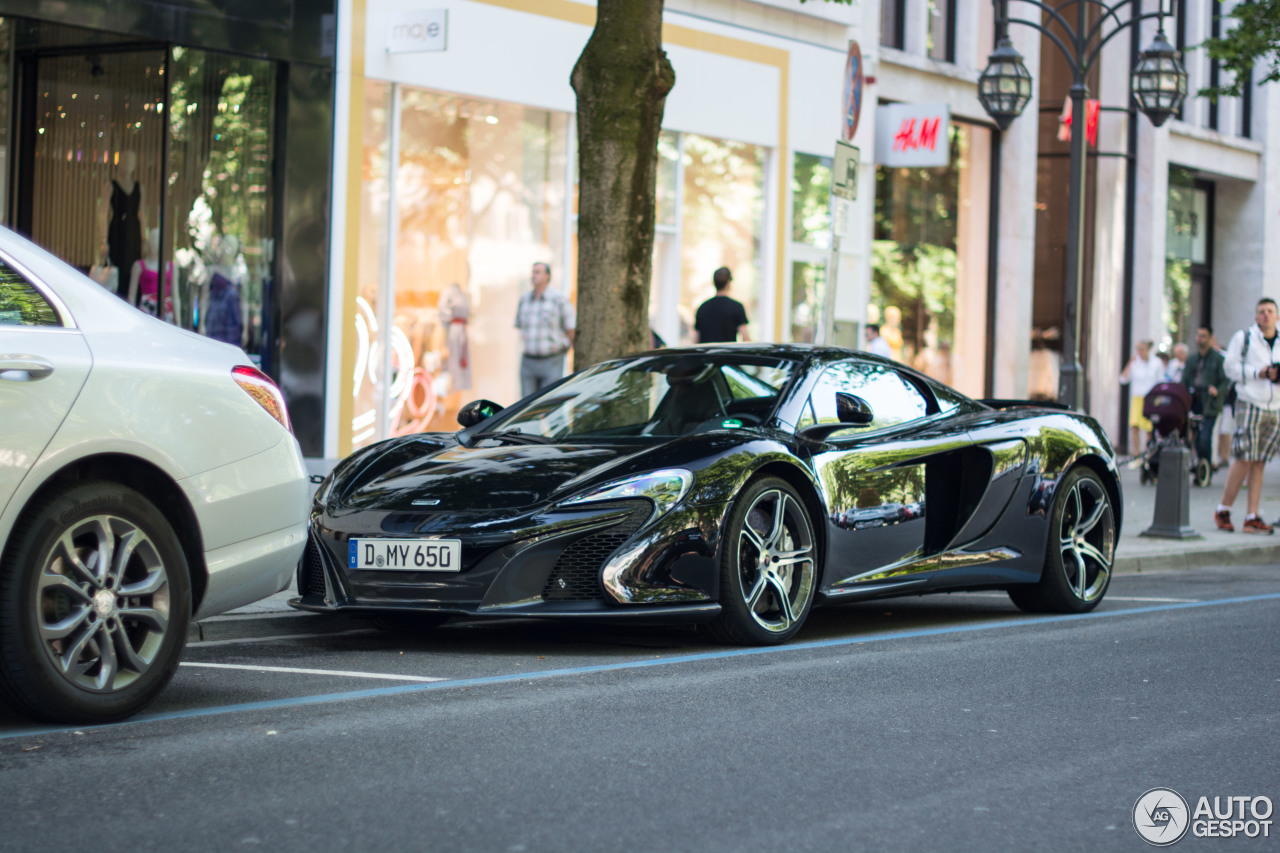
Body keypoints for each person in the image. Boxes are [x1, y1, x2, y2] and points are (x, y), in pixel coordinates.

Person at [1215, 298, 1280, 533]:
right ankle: (1223, 509)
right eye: (1261, 311)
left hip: (1274, 407)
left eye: (1270, 311)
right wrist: (1257, 372)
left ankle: (1252, 516)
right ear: (1256, 316)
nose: (1266, 315)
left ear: (1277, 316)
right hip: (1249, 402)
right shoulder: (1244, 338)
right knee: (1244, 457)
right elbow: (1229, 368)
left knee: (1259, 461)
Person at [515, 261, 575, 397]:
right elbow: (520, 326)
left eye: (537, 272)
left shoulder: (558, 300)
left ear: (547, 276)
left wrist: (570, 354)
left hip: (552, 361)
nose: (533, 275)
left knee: (548, 402)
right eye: (533, 272)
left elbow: (571, 329)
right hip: (528, 361)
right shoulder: (524, 300)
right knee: (525, 405)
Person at [98, 150, 146, 305]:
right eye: (124, 161)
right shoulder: (111, 186)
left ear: (134, 166)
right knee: (116, 270)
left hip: (134, 235)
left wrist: (145, 239)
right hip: (117, 233)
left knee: (133, 271)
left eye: (130, 162)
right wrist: (103, 240)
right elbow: (103, 213)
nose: (126, 164)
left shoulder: (140, 188)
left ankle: (132, 304)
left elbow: (143, 214)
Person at [1182, 325, 1230, 470]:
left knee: (1205, 435)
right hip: (1194, 401)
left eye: (1203, 336)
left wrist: (1217, 390)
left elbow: (1225, 381)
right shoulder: (1192, 359)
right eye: (1198, 335)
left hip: (1210, 403)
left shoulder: (1218, 359)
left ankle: (1206, 466)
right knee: (1195, 436)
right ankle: (1201, 466)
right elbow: (1184, 381)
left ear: (1210, 338)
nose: (1200, 339)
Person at [1119, 339, 1162, 455]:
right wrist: (1129, 363)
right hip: (1137, 398)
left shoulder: (1156, 363)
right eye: (1138, 349)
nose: (1139, 352)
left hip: (1150, 398)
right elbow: (1123, 379)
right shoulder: (1134, 364)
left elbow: (1160, 381)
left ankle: (1147, 453)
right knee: (1134, 426)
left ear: (1147, 349)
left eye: (1142, 349)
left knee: (1149, 428)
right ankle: (1136, 454)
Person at [693, 266, 749, 343]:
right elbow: (745, 339)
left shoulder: (702, 308)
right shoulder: (737, 307)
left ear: (714, 283)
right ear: (729, 282)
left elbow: (696, 340)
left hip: (707, 355)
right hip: (727, 354)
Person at [128, 227, 172, 321]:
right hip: (147, 309)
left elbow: (176, 297)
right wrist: (131, 317)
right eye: (152, 239)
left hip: (166, 311)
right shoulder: (139, 265)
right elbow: (131, 296)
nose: (154, 243)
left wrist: (179, 322)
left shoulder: (171, 267)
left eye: (156, 239)